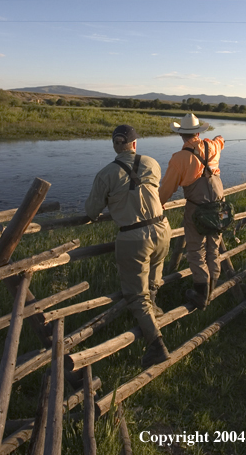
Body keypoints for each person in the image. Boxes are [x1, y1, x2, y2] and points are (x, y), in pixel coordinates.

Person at [85, 124, 171, 368]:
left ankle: (156, 345)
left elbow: (91, 211)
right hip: (162, 228)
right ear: (135, 144)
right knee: (153, 280)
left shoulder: (106, 173)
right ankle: (154, 313)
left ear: (114, 145)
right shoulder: (152, 163)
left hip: (133, 237)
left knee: (135, 294)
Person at [159, 114, 225, 310]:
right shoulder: (212, 146)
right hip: (220, 207)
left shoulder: (179, 159)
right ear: (198, 132)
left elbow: (167, 189)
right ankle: (212, 290)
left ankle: (201, 294)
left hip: (197, 209)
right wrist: (219, 139)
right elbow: (219, 141)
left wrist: (159, 203)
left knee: (196, 250)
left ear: (181, 135)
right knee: (214, 247)